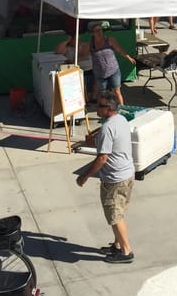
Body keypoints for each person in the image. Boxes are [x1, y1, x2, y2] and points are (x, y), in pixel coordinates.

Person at [75, 90, 136, 264]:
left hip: (114, 179)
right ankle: (117, 245)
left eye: (99, 106)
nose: (96, 108)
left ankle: (126, 251)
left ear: (108, 108)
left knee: (114, 216)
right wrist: (94, 135)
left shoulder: (107, 129)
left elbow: (102, 158)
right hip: (127, 175)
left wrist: (84, 177)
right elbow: (105, 130)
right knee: (119, 212)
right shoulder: (120, 119)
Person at [89, 22, 135, 106]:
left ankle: (122, 109)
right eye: (96, 31)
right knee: (103, 94)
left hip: (113, 71)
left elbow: (120, 50)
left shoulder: (109, 40)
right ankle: (105, 111)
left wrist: (128, 57)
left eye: (100, 30)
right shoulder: (91, 42)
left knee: (117, 91)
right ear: (93, 33)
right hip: (99, 73)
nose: (99, 32)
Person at [54, 33, 94, 102]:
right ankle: (85, 99)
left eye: (76, 38)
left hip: (89, 70)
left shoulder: (85, 45)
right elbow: (58, 51)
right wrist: (66, 41)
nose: (76, 40)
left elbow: (83, 55)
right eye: (73, 39)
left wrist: (72, 61)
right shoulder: (67, 48)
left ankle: (91, 97)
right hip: (75, 71)